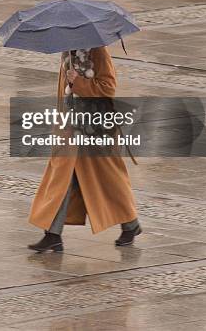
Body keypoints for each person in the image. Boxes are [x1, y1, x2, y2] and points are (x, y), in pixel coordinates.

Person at [28, 45, 141, 252]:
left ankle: (131, 225)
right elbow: (64, 94)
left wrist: (78, 82)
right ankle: (53, 234)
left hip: (95, 129)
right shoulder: (67, 52)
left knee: (110, 180)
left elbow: (108, 87)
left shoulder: (98, 52)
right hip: (70, 129)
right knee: (61, 179)